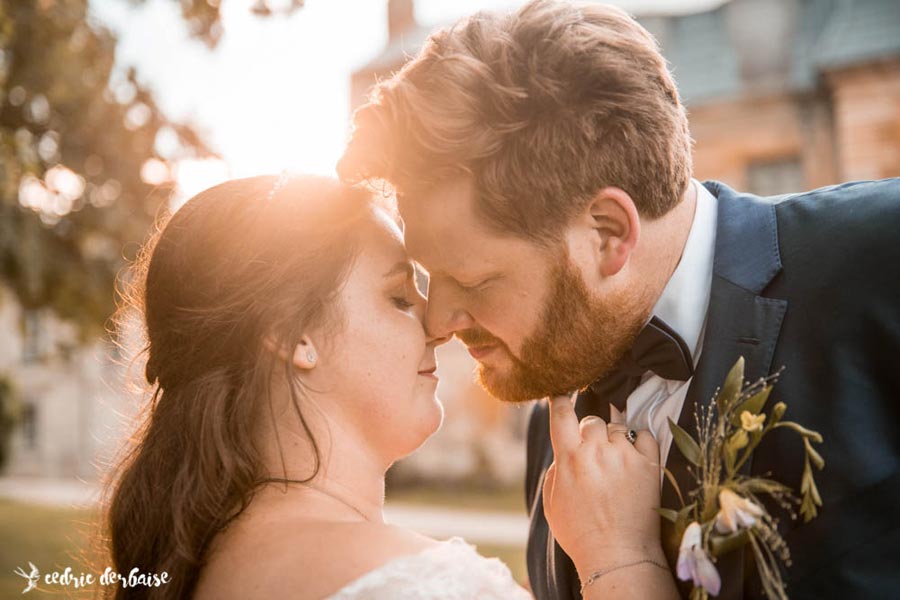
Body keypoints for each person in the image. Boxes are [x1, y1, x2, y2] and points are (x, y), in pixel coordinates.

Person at [337, 1, 900, 598]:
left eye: (472, 281)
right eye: (427, 276)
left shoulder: (880, 259)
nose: (436, 321)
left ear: (608, 232)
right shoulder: (551, 432)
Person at [105, 174, 679, 599]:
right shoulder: (425, 586)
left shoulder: (205, 565)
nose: (437, 325)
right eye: (399, 297)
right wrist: (621, 559)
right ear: (293, 336)